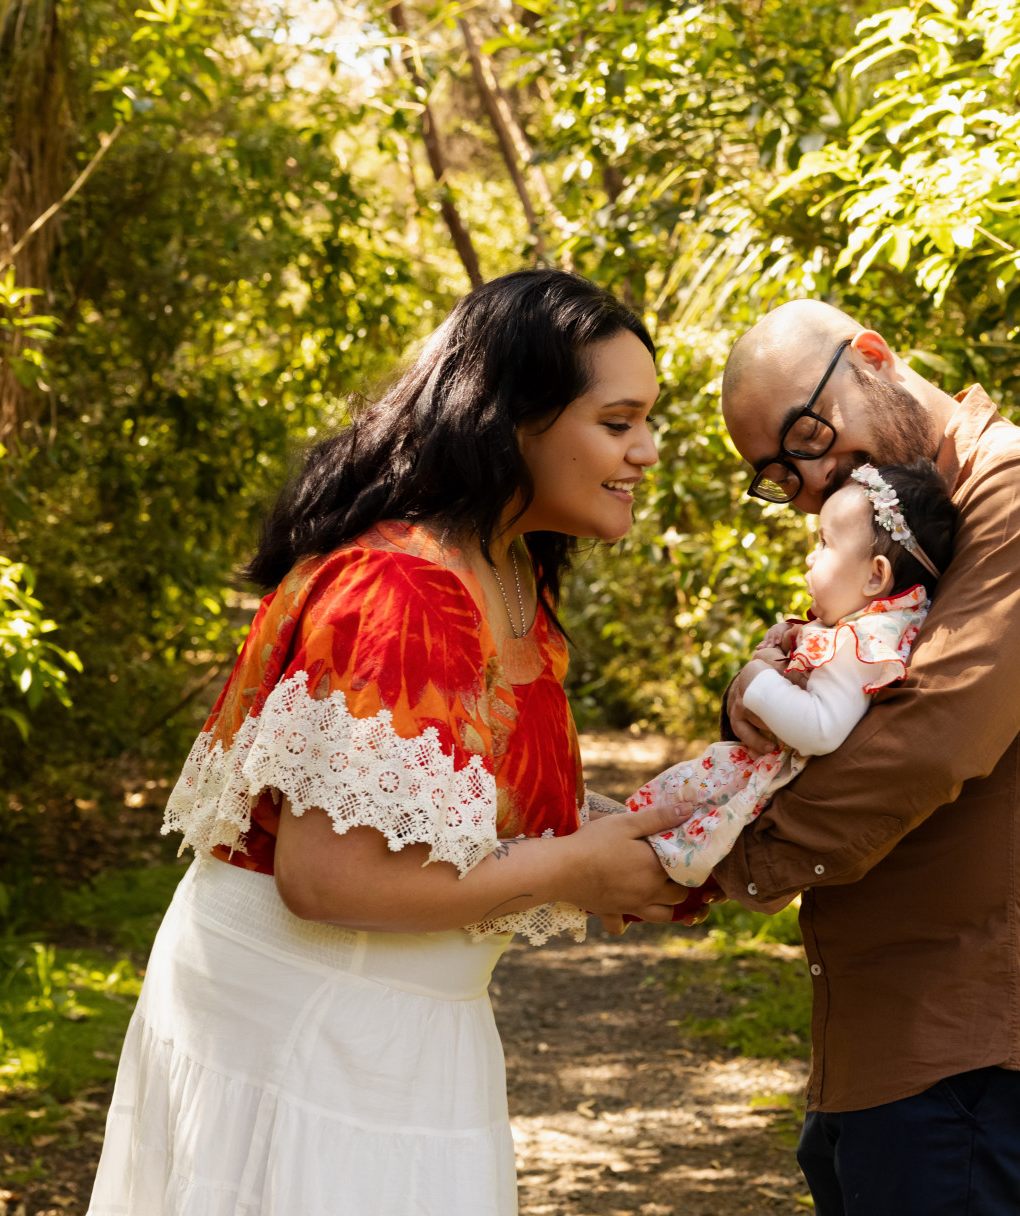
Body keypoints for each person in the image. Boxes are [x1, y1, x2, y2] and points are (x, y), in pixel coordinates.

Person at [87, 270, 695, 1216]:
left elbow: (457, 804)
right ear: (512, 421)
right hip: (305, 1023)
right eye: (618, 423)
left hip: (410, 1027)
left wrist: (634, 839)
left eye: (647, 422)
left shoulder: (511, 574)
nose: (647, 452)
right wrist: (574, 871)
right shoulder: (401, 591)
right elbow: (325, 878)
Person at [711, 302, 1020, 1216]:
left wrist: (728, 863)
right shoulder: (887, 539)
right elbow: (831, 698)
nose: (815, 477)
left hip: (972, 1038)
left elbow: (929, 736)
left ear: (873, 355)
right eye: (779, 476)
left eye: (810, 435)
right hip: (885, 1037)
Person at [624, 460, 958, 889]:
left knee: (667, 825)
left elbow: (821, 728)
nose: (810, 556)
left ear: (876, 575)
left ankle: (599, 874)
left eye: (823, 544)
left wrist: (757, 682)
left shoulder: (859, 645)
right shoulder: (875, 627)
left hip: (769, 789)